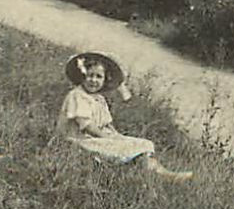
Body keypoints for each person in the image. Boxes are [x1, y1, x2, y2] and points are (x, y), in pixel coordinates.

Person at [59, 52, 192, 180]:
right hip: (81, 140)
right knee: (124, 147)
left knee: (143, 144)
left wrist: (117, 136)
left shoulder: (99, 99)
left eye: (99, 77)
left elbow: (108, 125)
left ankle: (157, 173)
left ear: (105, 79)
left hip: (99, 136)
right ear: (82, 76)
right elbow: (87, 125)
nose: (93, 80)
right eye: (89, 76)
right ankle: (162, 175)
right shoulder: (77, 95)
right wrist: (108, 138)